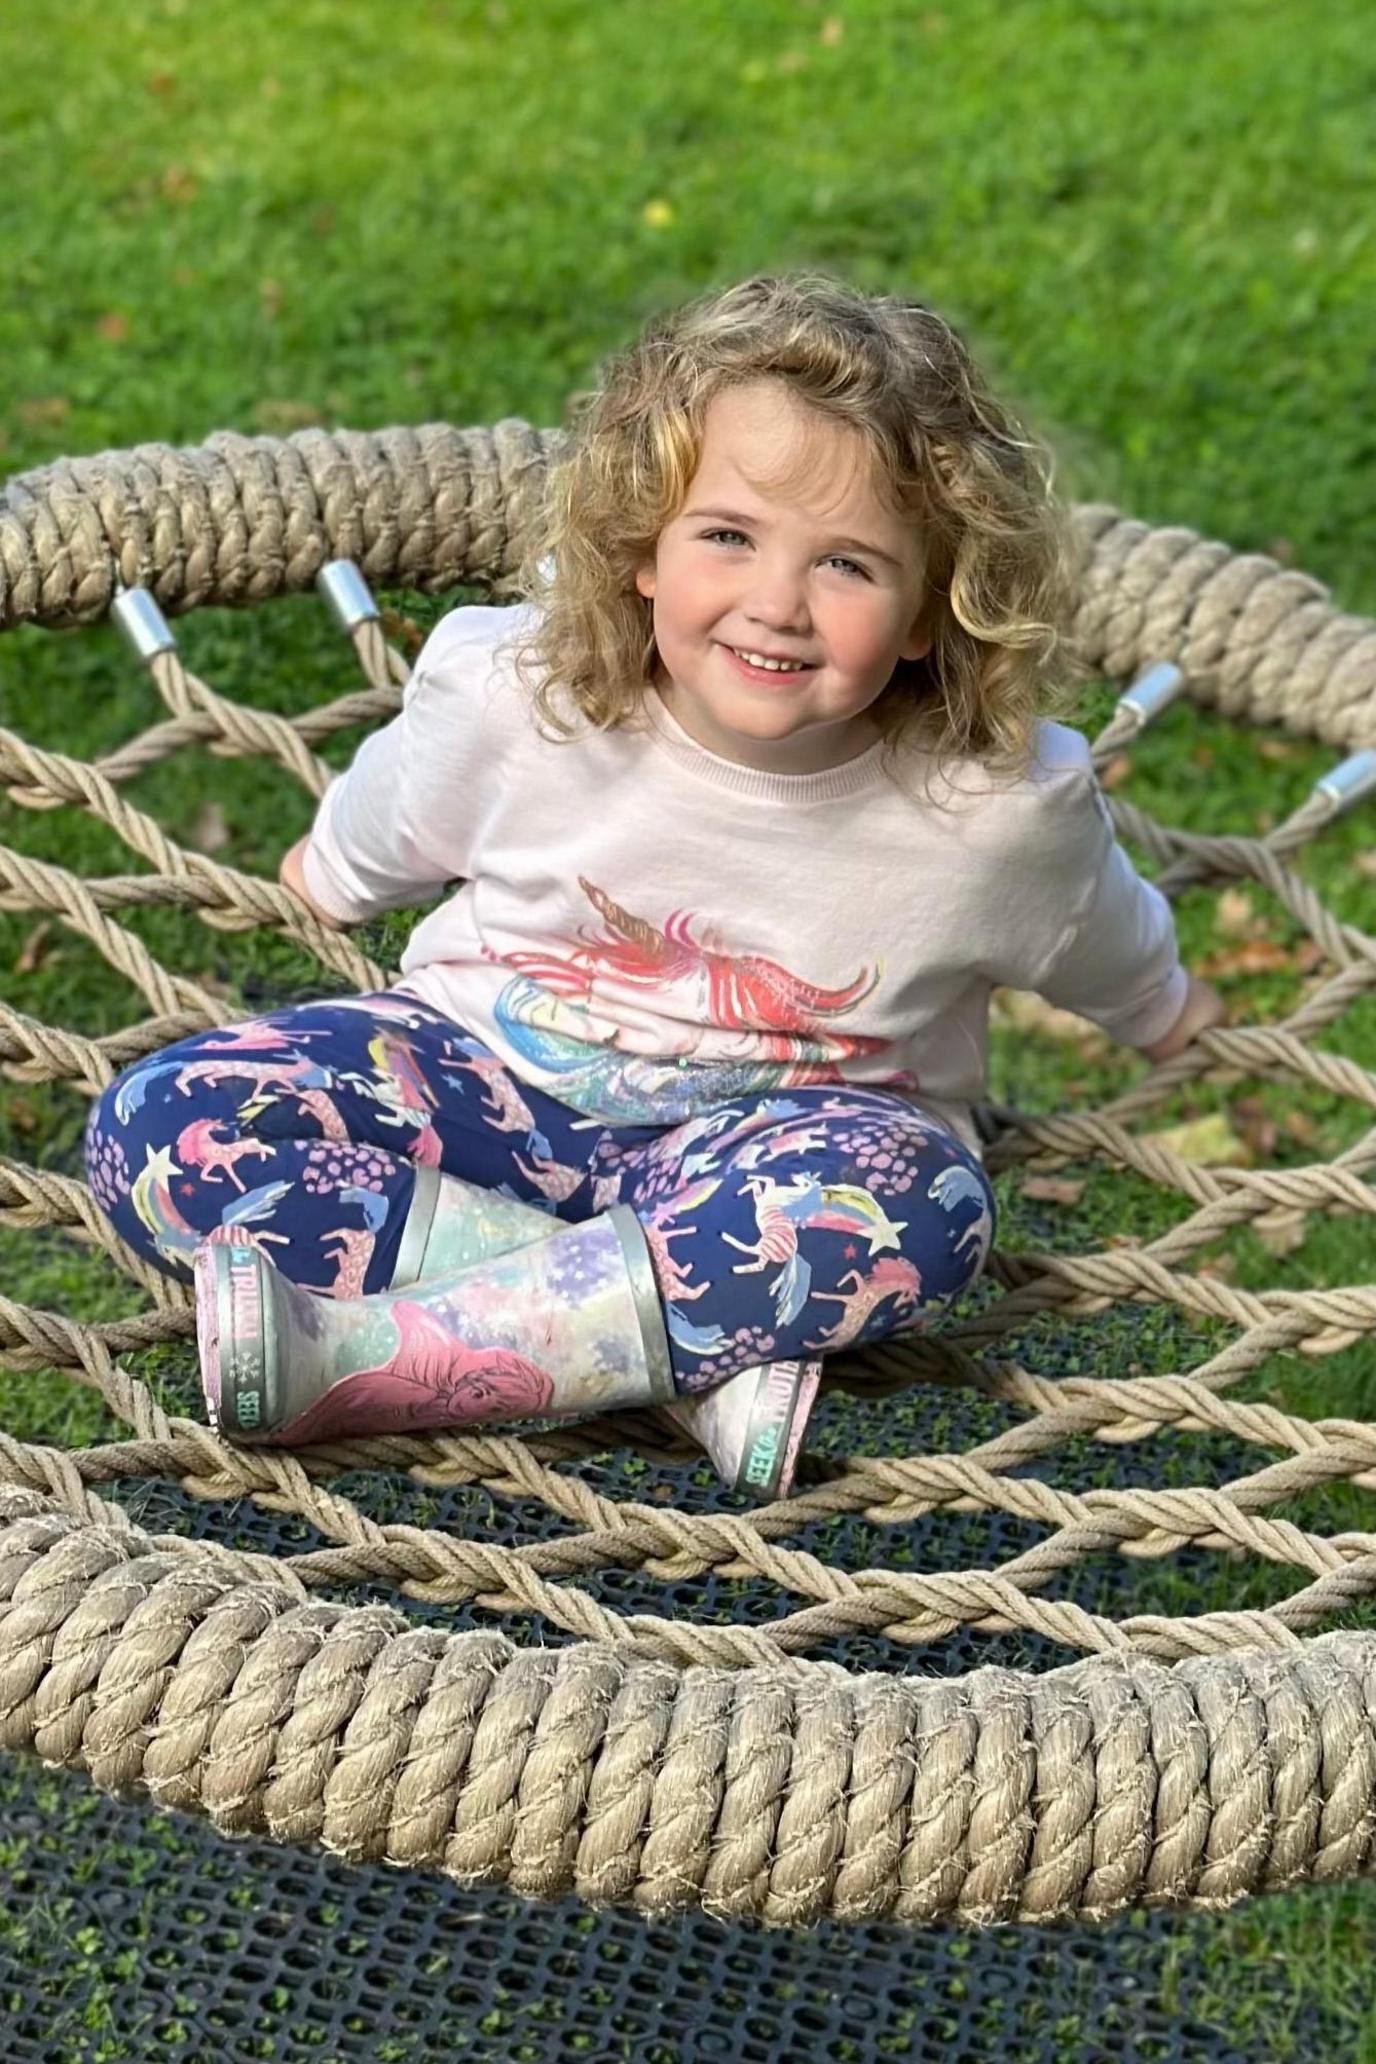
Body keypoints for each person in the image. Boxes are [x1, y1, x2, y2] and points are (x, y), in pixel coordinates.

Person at [83, 270, 1226, 1498]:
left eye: (846, 564)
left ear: (924, 615)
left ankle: (361, 1356)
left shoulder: (991, 812)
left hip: (768, 1149)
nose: (775, 605)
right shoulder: (517, 696)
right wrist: (336, 871)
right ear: (640, 548)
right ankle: (679, 1358)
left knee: (925, 1207)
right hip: (477, 1087)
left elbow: (1097, 932)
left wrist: (1163, 1013)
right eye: (727, 536)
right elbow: (393, 811)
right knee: (159, 1130)